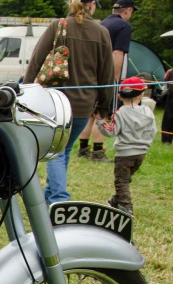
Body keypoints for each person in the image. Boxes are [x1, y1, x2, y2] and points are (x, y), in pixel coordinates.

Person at [24, 0, 114, 205]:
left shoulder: (58, 26)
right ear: (92, 5)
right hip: (84, 104)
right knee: (62, 150)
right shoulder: (102, 33)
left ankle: (58, 198)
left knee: (57, 150)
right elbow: (107, 75)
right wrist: (104, 106)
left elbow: (36, 60)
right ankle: (53, 196)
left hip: (55, 102)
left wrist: (25, 91)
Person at [78, 0, 137, 162]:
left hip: (91, 74)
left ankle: (83, 148)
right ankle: (97, 152)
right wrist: (115, 78)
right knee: (103, 113)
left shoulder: (102, 24)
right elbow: (117, 53)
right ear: (128, 10)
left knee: (90, 112)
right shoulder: (124, 27)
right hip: (106, 76)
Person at [96, 76, 156, 215]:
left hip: (124, 155)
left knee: (121, 181)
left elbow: (111, 132)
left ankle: (126, 207)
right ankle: (115, 201)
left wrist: (100, 122)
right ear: (141, 95)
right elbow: (153, 131)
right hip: (141, 154)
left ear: (120, 97)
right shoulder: (148, 111)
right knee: (125, 179)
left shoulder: (121, 113)